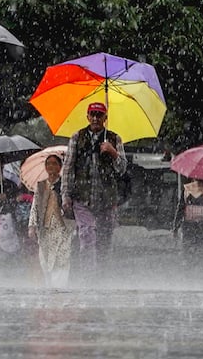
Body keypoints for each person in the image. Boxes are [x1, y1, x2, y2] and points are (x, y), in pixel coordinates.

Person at [61, 102, 128, 284]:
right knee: (87, 235)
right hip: (82, 198)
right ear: (87, 116)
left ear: (105, 118)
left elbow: (122, 169)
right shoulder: (77, 137)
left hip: (107, 199)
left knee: (105, 240)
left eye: (99, 115)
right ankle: (88, 277)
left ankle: (102, 277)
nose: (96, 118)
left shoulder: (115, 138)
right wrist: (65, 195)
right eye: (93, 114)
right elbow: (68, 168)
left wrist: (113, 152)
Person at [28, 154, 75, 288]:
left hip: (63, 227)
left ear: (60, 167)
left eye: (54, 164)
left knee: (61, 257)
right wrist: (32, 226)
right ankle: (49, 286)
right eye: (48, 164)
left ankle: (60, 286)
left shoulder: (65, 185)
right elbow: (35, 207)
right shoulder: (41, 186)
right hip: (45, 228)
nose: (51, 167)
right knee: (46, 259)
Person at [173, 178, 203, 280]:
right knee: (202, 248)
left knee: (188, 248)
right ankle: (201, 272)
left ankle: (189, 271)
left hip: (189, 224)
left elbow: (180, 208)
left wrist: (175, 226)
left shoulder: (187, 189)